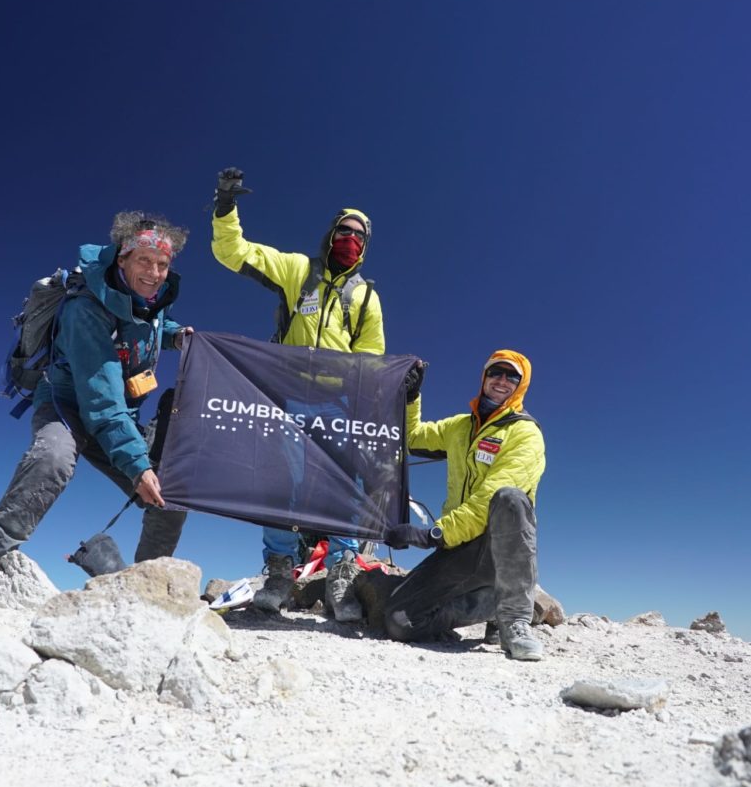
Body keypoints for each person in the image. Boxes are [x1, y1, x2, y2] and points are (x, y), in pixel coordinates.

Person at [206, 166, 386, 621]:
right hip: (285, 398)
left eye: (359, 236)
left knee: (342, 488)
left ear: (365, 247)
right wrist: (226, 208)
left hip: (337, 406)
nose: (350, 239)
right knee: (279, 483)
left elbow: (371, 360)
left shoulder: (366, 298)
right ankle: (280, 574)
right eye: (344, 230)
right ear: (330, 234)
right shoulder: (297, 270)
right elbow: (235, 252)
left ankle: (342, 578)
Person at [0, 212, 193, 565]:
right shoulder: (84, 308)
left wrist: (176, 336)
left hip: (118, 412)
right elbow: (100, 398)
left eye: (162, 264)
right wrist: (136, 466)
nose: (154, 273)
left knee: (169, 498)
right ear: (122, 258)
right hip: (67, 402)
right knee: (52, 459)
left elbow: (146, 327)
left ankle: (144, 584)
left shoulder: (152, 298)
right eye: (144, 261)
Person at [383, 350, 547, 661]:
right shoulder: (459, 427)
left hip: (495, 548)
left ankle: (514, 619)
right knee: (399, 621)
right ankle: (489, 603)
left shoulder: (525, 434)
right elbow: (410, 437)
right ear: (484, 378)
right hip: (458, 547)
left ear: (521, 386)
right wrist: (411, 397)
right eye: (495, 373)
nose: (502, 380)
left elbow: (489, 497)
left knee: (510, 498)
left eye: (512, 376)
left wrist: (432, 535)